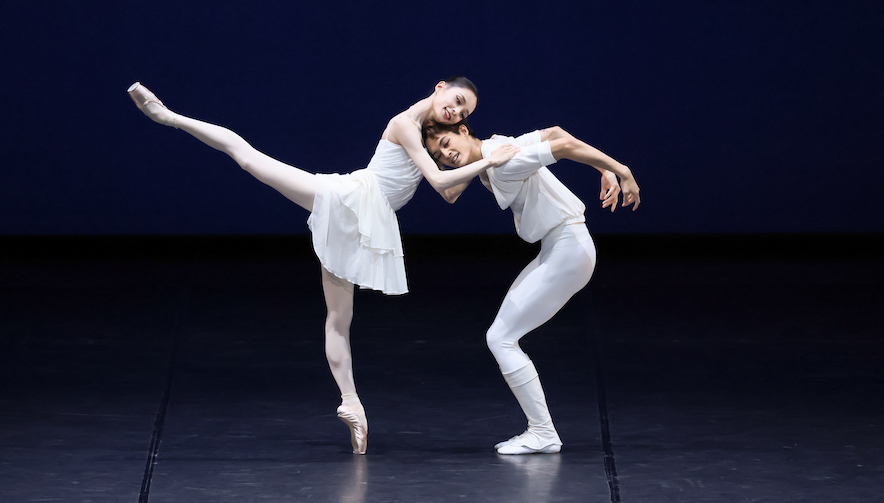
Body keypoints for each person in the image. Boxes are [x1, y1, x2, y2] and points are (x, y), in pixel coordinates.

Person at [127, 78, 519, 454]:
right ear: (439, 88)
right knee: (248, 158)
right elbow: (438, 180)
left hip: (364, 219)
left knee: (338, 318)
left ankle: (353, 405)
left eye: (463, 110)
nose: (455, 110)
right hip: (348, 198)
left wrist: (484, 159)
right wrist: (488, 159)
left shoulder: (430, 135)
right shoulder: (405, 124)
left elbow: (449, 194)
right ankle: (168, 116)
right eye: (455, 100)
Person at [422, 120, 640, 454]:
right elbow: (555, 132)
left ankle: (543, 432)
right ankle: (542, 432)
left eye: (448, 142)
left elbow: (563, 147)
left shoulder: (503, 161)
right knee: (501, 336)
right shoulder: (495, 153)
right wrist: (602, 168)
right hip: (559, 247)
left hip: (567, 250)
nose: (447, 154)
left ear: (465, 131)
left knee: (500, 338)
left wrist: (618, 169)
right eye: (440, 154)